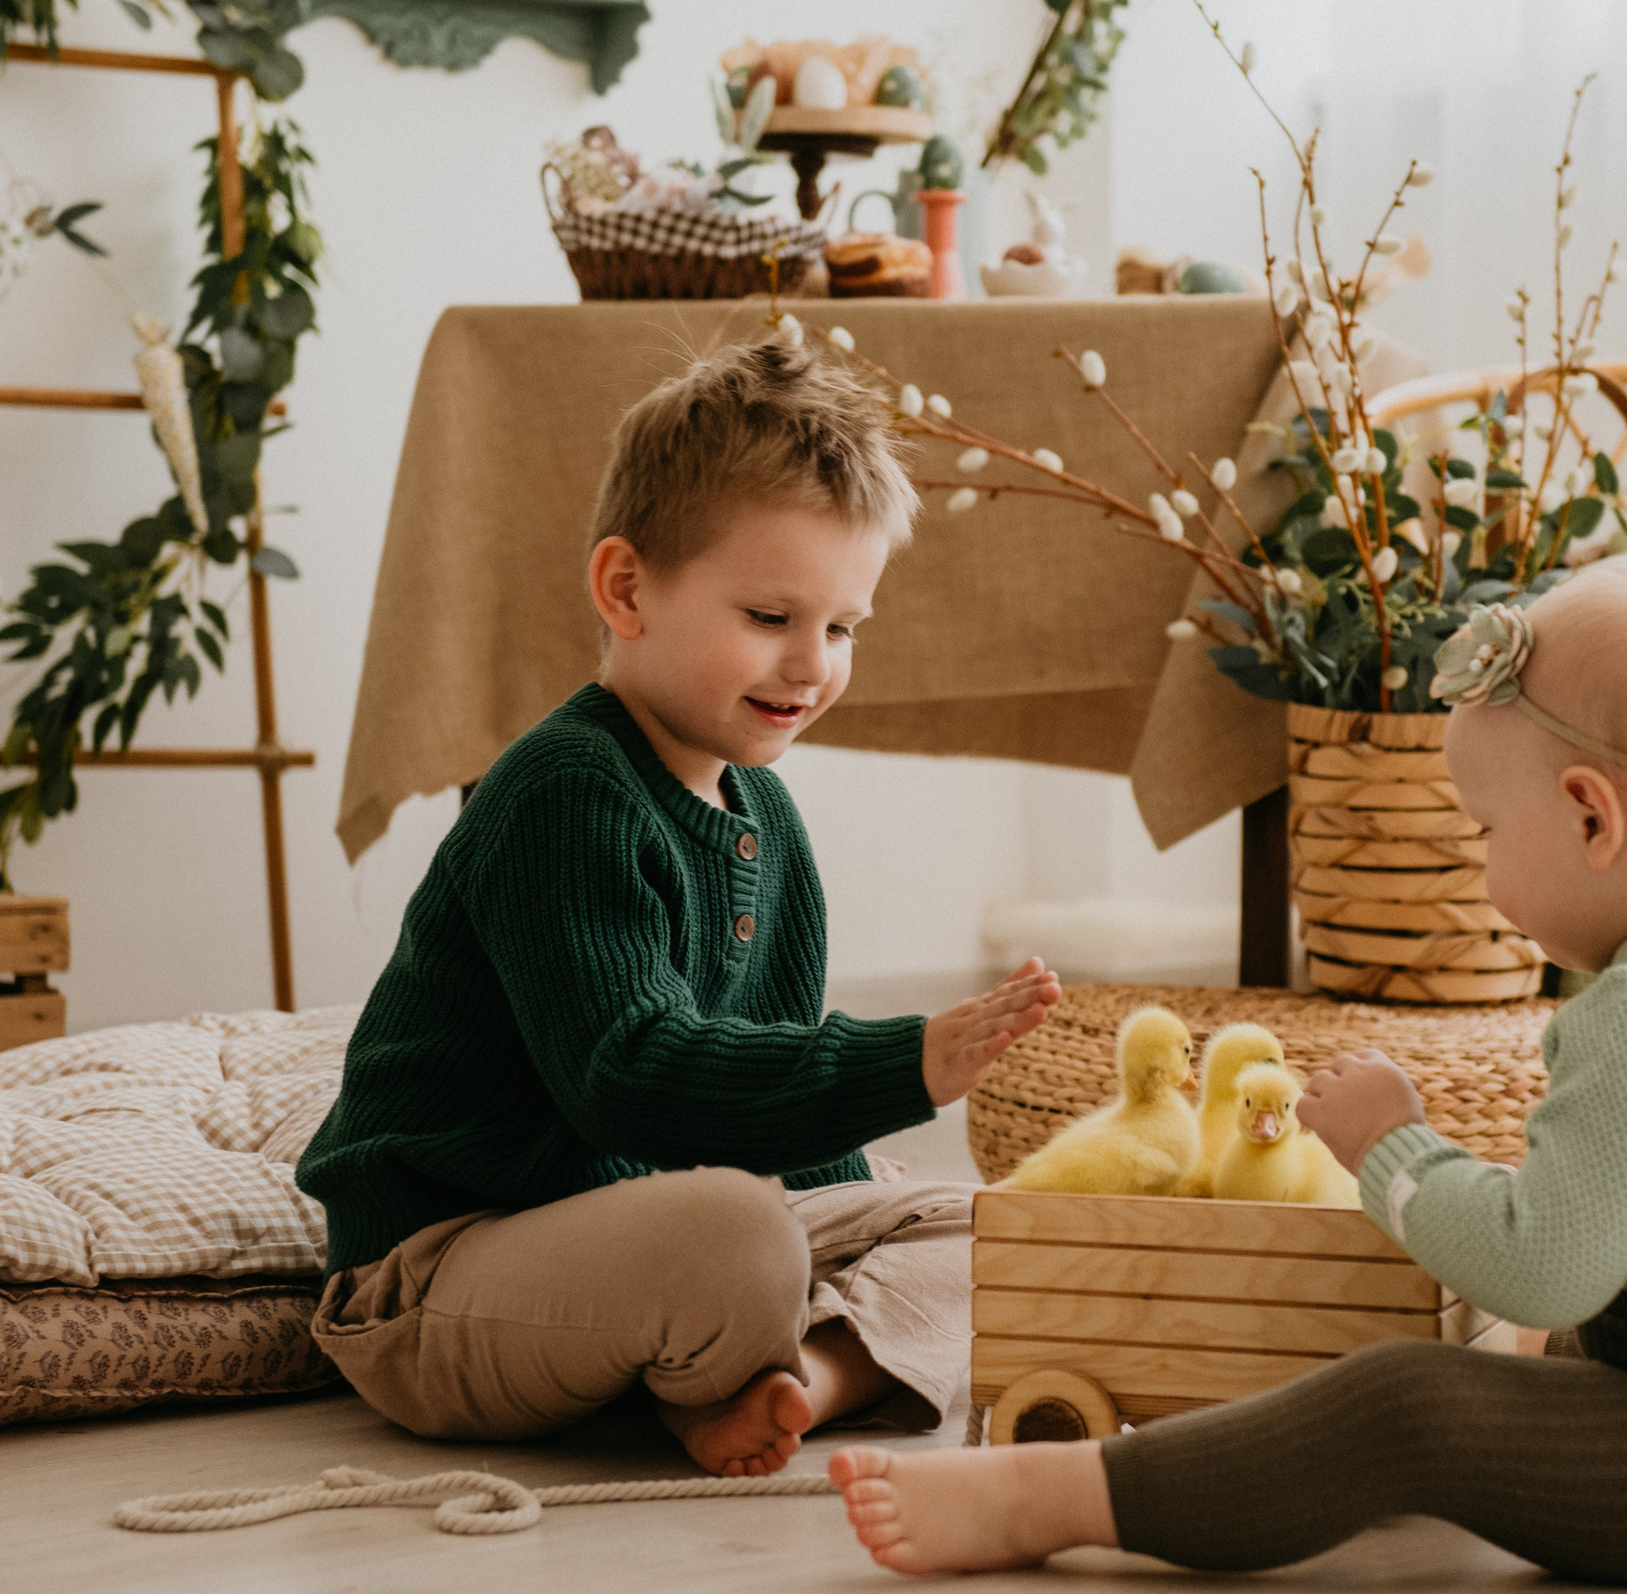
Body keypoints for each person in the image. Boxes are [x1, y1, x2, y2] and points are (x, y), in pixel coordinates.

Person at [831, 553, 1627, 1585]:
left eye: (1486, 830)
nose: (1485, 875)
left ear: (1592, 818)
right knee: (1562, 1333)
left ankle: (1055, 1498)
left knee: (1407, 1402)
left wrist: (1393, 1144)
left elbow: (1542, 1273)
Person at [298, 331, 1060, 1479]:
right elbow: (629, 1076)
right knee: (736, 1234)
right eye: (769, 617)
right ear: (626, 588)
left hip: (636, 1238)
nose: (811, 666)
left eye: (841, 627)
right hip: (444, 1272)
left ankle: (799, 1380)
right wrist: (897, 1066)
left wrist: (844, 1181)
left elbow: (760, 1067)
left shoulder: (767, 819)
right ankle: (747, 1352)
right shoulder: (565, 791)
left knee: (1005, 1231)